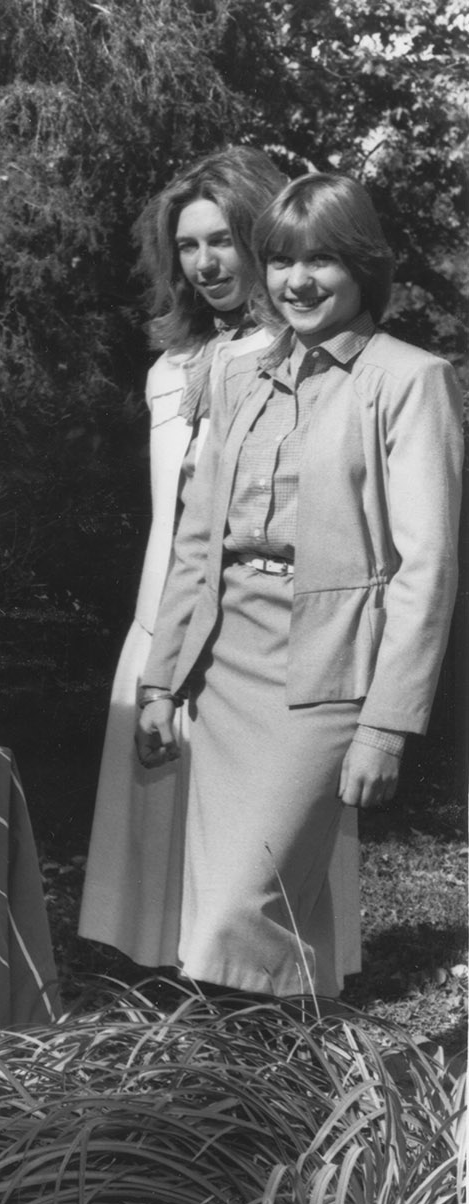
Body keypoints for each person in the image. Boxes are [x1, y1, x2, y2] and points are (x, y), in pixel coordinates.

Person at [136, 172, 463, 997]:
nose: (298, 281)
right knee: (272, 909)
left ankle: (223, 1097)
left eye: (322, 260)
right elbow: (197, 540)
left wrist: (387, 726)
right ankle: (291, 1107)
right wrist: (160, 679)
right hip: (223, 671)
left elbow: (426, 571)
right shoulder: (242, 377)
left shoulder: (410, 380)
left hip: (322, 677)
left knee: (236, 915)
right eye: (281, 261)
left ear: (363, 268)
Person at [77, 148, 329, 974]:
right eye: (188, 246)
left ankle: (260, 993)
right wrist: (157, 644)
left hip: (260, 625)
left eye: (223, 239)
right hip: (168, 607)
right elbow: (173, 522)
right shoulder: (171, 370)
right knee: (160, 826)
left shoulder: (306, 359)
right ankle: (176, 985)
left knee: (251, 838)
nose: (207, 262)